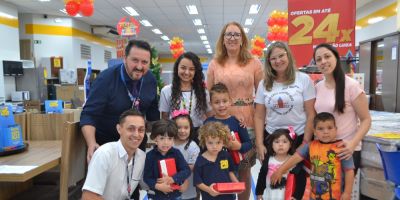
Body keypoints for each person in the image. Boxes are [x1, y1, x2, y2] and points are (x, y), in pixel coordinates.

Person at [206, 21, 263, 200]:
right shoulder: (215, 64)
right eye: (228, 34)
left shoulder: (253, 62)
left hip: (248, 123)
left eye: (236, 34)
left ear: (242, 39)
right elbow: (210, 95)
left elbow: (261, 96)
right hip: (221, 124)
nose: (232, 38)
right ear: (223, 39)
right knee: (222, 169)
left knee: (244, 171)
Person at [254, 41, 315, 199]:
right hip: (272, 138)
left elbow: (311, 113)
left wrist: (305, 142)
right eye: (273, 58)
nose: (278, 60)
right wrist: (259, 143)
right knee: (271, 174)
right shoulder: (264, 84)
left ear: (288, 55)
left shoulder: (303, 79)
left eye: (281, 55)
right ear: (268, 62)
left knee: (297, 175)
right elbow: (259, 116)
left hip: (299, 136)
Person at [81, 39, 160, 163]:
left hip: (136, 144)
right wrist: (91, 143)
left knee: (134, 181)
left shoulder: (150, 80)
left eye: (144, 62)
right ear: (125, 58)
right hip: (107, 144)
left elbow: (153, 115)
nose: (139, 66)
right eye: (135, 60)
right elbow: (89, 115)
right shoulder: (106, 79)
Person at [313, 43, 371, 172]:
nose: (323, 61)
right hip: (323, 149)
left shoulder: (352, 86)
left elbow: (366, 120)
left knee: (344, 191)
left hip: (345, 151)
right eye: (319, 59)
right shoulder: (317, 87)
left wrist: (352, 144)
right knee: (325, 191)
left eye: (327, 56)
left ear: (336, 58)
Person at [271, 112, 355, 200]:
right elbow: (295, 158)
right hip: (314, 196)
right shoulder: (310, 146)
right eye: (320, 128)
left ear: (336, 129)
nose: (326, 132)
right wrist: (280, 171)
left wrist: (347, 193)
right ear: (314, 131)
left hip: (335, 196)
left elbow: (349, 171)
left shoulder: (342, 148)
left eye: (330, 128)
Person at [81, 109, 146, 200]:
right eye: (131, 129)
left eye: (141, 130)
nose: (136, 134)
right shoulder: (104, 154)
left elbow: (147, 185)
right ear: (119, 129)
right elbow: (88, 197)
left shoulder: (142, 157)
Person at [159, 52, 211, 140]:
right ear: (177, 68)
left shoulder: (203, 92)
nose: (187, 72)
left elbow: (210, 115)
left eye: (191, 69)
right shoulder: (167, 90)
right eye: (183, 68)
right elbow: (165, 118)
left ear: (196, 71)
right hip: (175, 133)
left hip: (198, 134)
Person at [204, 83, 252, 171]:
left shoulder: (237, 122)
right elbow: (203, 147)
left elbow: (249, 144)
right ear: (211, 104)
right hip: (213, 168)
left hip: (233, 168)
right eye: (217, 102)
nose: (221, 105)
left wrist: (239, 146)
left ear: (230, 101)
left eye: (224, 101)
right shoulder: (207, 123)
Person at [143, 119, 191, 200]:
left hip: (175, 195)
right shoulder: (150, 156)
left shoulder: (176, 153)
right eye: (162, 138)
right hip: (156, 196)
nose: (166, 142)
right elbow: (147, 177)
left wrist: (173, 179)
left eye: (170, 138)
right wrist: (158, 186)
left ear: (174, 139)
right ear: (155, 139)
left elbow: (186, 170)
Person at [193, 121, 239, 200]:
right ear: (204, 141)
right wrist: (209, 190)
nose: (214, 146)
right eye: (210, 143)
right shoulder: (200, 160)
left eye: (218, 142)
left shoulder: (225, 155)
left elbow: (230, 171)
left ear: (223, 141)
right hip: (209, 197)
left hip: (228, 196)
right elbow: (197, 182)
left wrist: (236, 183)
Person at [255, 128, 296, 200]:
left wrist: (296, 196)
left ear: (290, 144)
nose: (280, 144)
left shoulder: (293, 160)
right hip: (269, 196)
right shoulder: (269, 160)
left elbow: (300, 180)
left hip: (287, 197)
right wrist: (259, 193)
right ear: (271, 145)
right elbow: (261, 176)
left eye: (284, 142)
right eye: (277, 142)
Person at [172, 109, 200, 200]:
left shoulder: (193, 146)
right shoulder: (168, 143)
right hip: (169, 186)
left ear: (190, 128)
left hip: (187, 187)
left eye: (186, 127)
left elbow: (191, 167)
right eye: (178, 127)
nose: (182, 131)